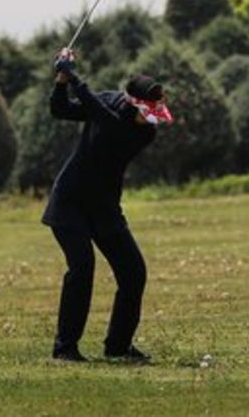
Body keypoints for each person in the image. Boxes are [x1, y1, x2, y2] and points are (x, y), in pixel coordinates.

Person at [41, 48, 172, 363]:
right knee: (82, 269)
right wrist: (61, 80)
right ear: (131, 102)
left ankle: (118, 346)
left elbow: (109, 124)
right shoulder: (108, 101)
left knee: (133, 271)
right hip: (70, 201)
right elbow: (60, 109)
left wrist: (75, 77)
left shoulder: (143, 133)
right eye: (147, 110)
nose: (151, 118)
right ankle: (65, 349)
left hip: (104, 207)